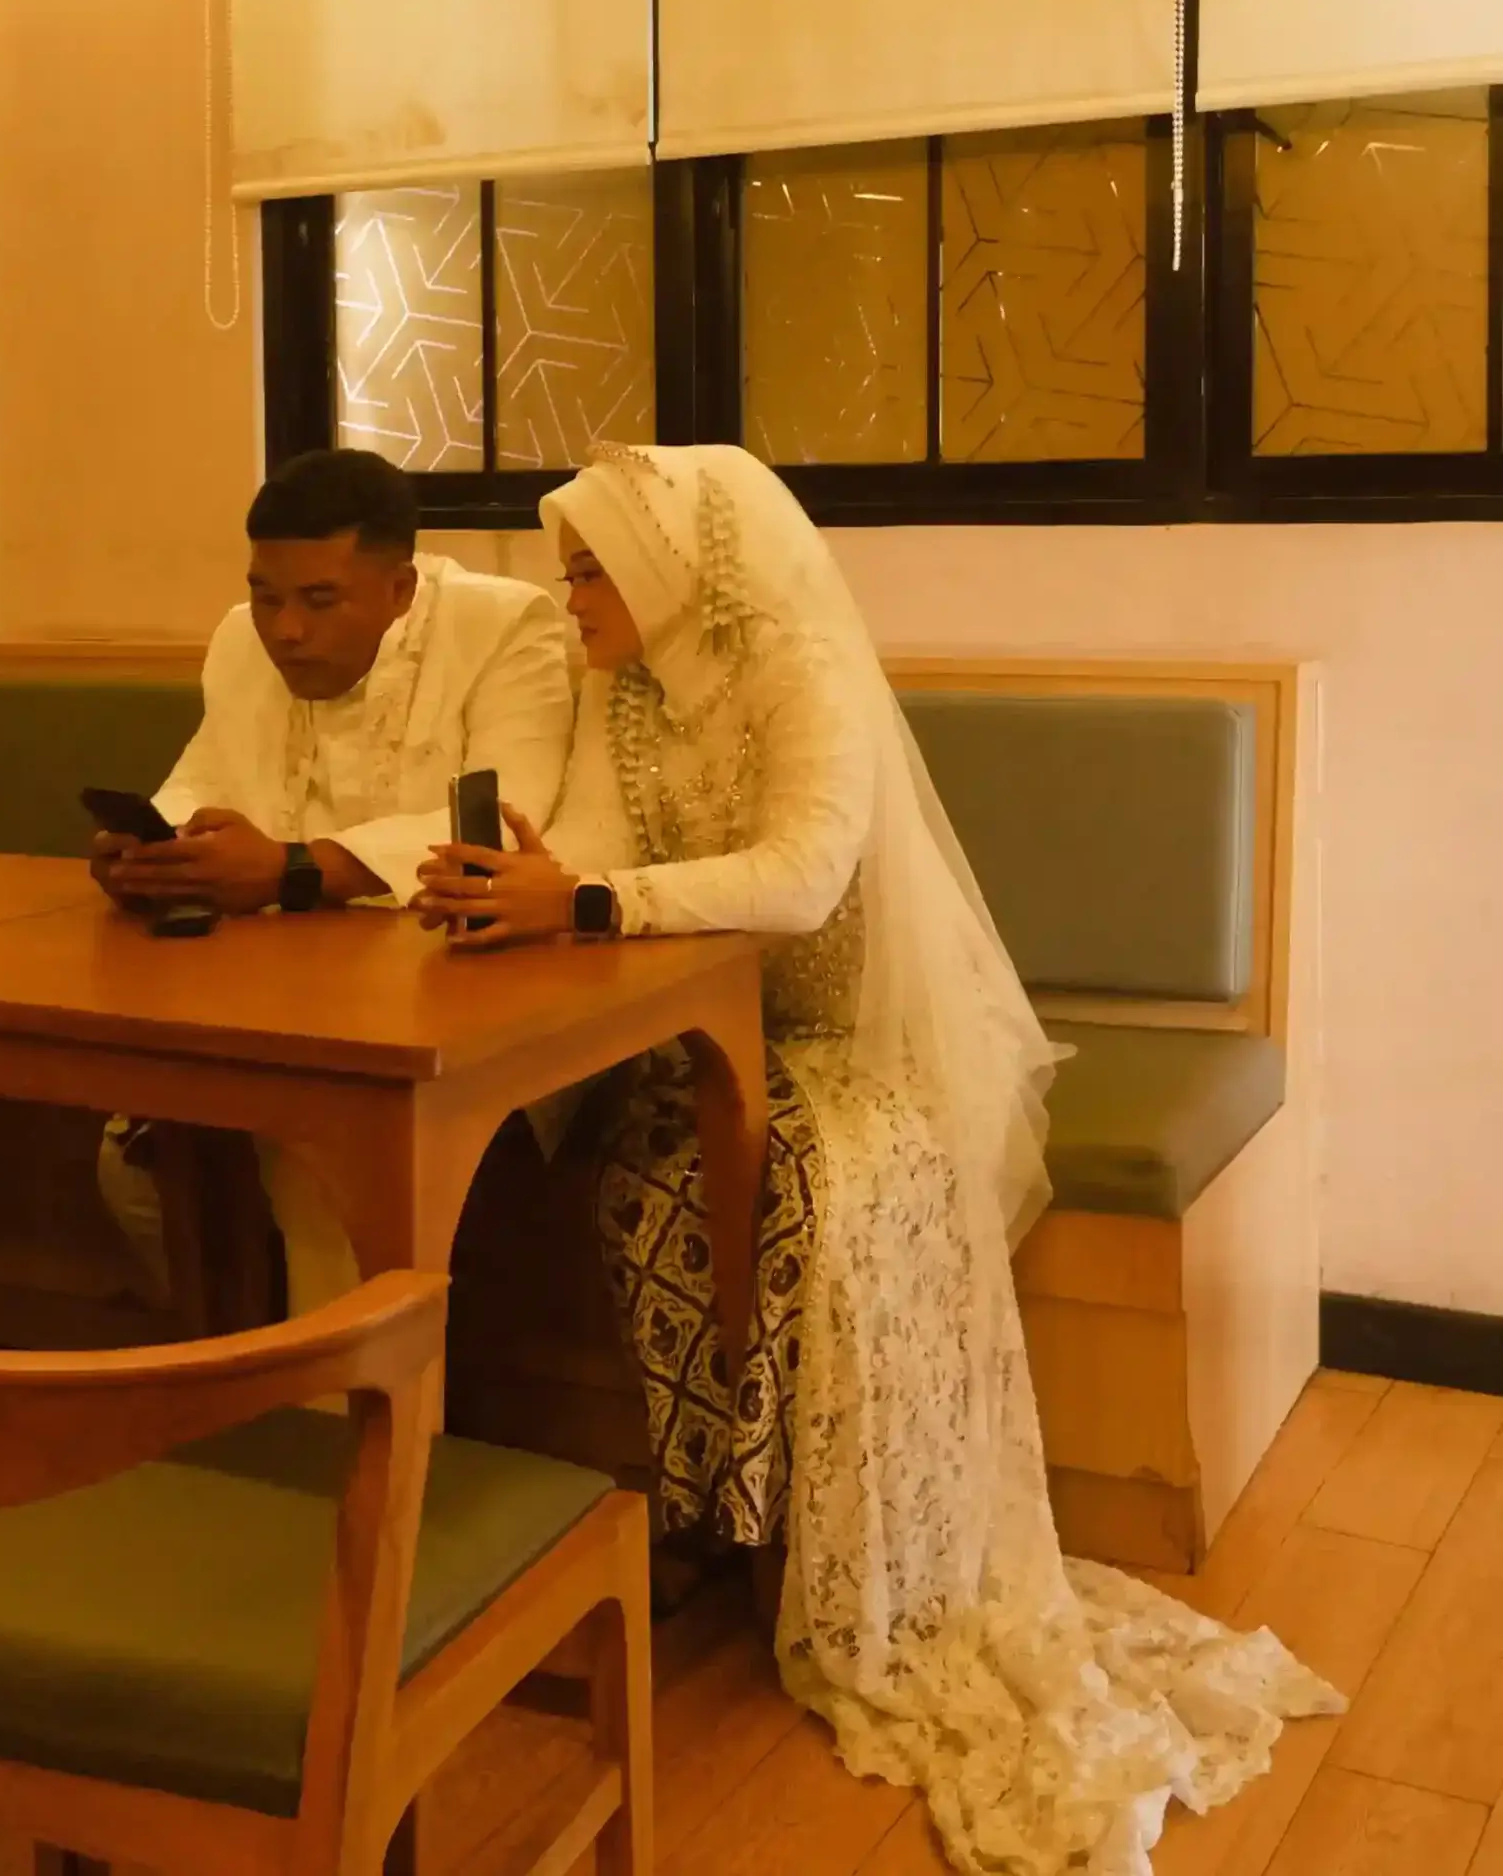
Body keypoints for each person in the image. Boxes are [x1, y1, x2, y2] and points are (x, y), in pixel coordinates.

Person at [412, 441, 1338, 1876]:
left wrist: (586, 898)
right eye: (568, 570)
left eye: (591, 571)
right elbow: (591, 842)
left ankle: (783, 1522)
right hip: (706, 1036)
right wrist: (534, 872)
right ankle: (705, 1498)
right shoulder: (623, 688)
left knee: (791, 1188)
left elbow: (800, 877)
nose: (568, 595)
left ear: (666, 571)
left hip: (861, 1048)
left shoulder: (802, 675)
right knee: (637, 1169)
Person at [93, 446, 574, 1312]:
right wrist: (153, 852)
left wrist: (295, 869)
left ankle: (344, 1388)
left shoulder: (503, 627)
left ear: (400, 589)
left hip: (461, 999)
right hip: (271, 994)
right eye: (265, 596)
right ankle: (238, 1370)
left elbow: (500, 823)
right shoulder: (240, 640)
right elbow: (203, 780)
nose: (284, 630)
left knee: (316, 1158)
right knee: (132, 1160)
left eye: (319, 601)